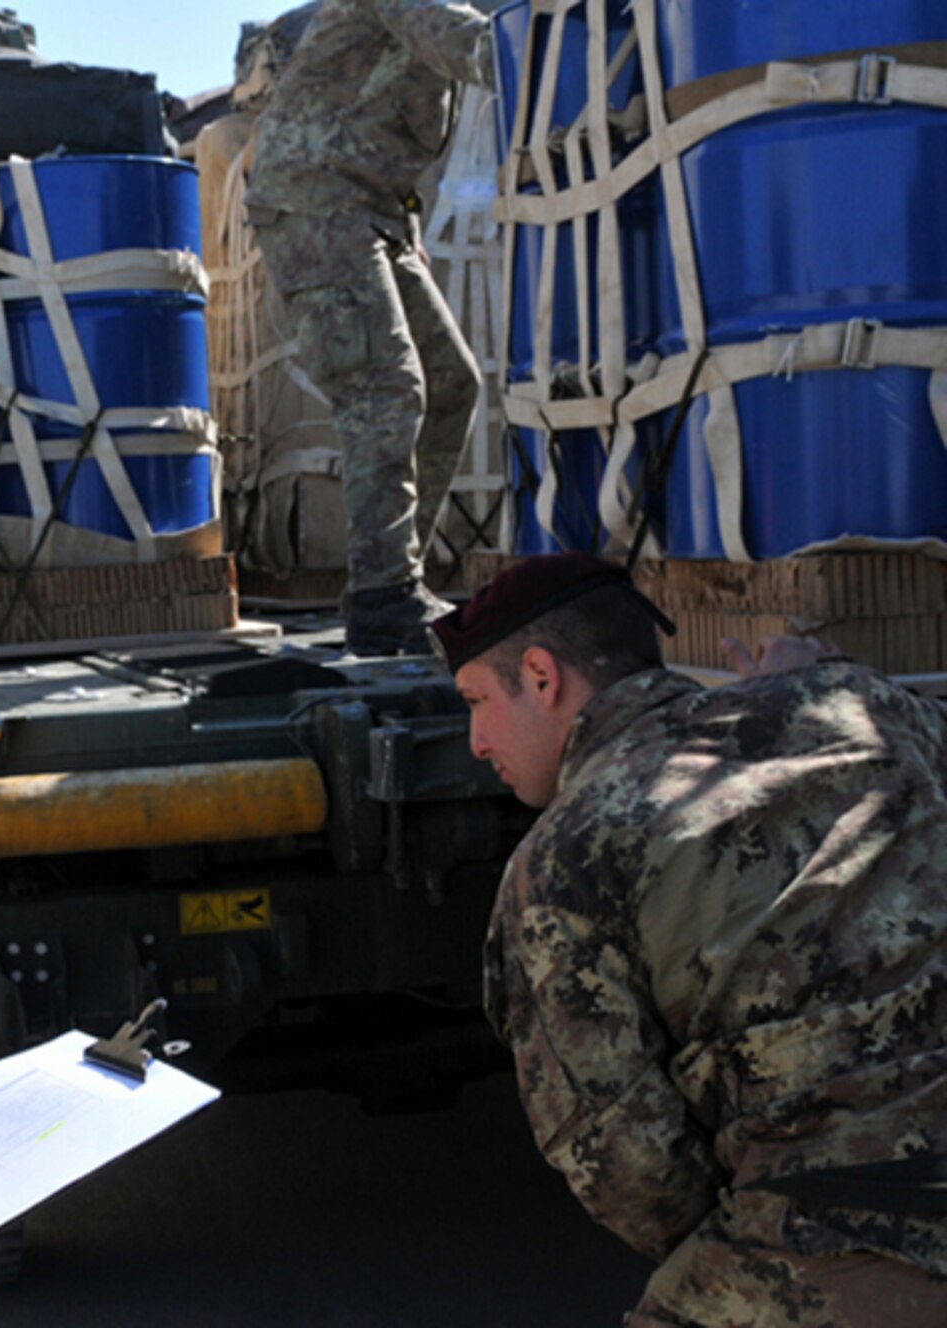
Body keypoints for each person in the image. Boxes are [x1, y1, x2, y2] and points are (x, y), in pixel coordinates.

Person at [434, 553, 947, 1325]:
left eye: (477, 701)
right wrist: (828, 676)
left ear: (541, 677)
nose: (475, 740)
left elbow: (628, 1167)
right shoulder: (863, 704)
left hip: (849, 1233)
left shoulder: (564, 859)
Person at [244, 0, 493, 654]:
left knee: (450, 382)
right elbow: (480, 51)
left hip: (375, 214)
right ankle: (386, 597)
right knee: (383, 386)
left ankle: (387, 579)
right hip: (316, 200)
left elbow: (388, 121)